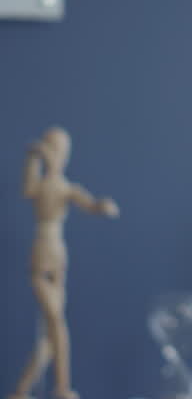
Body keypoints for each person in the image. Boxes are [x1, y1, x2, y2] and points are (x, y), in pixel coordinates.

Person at [10, 126, 119, 399]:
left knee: (49, 339)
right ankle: (61, 388)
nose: (55, 154)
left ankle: (24, 389)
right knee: (56, 324)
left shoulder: (66, 188)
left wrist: (102, 206)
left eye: (59, 150)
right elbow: (27, 188)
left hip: (58, 256)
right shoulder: (40, 185)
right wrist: (34, 156)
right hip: (41, 252)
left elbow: (89, 203)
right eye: (52, 147)